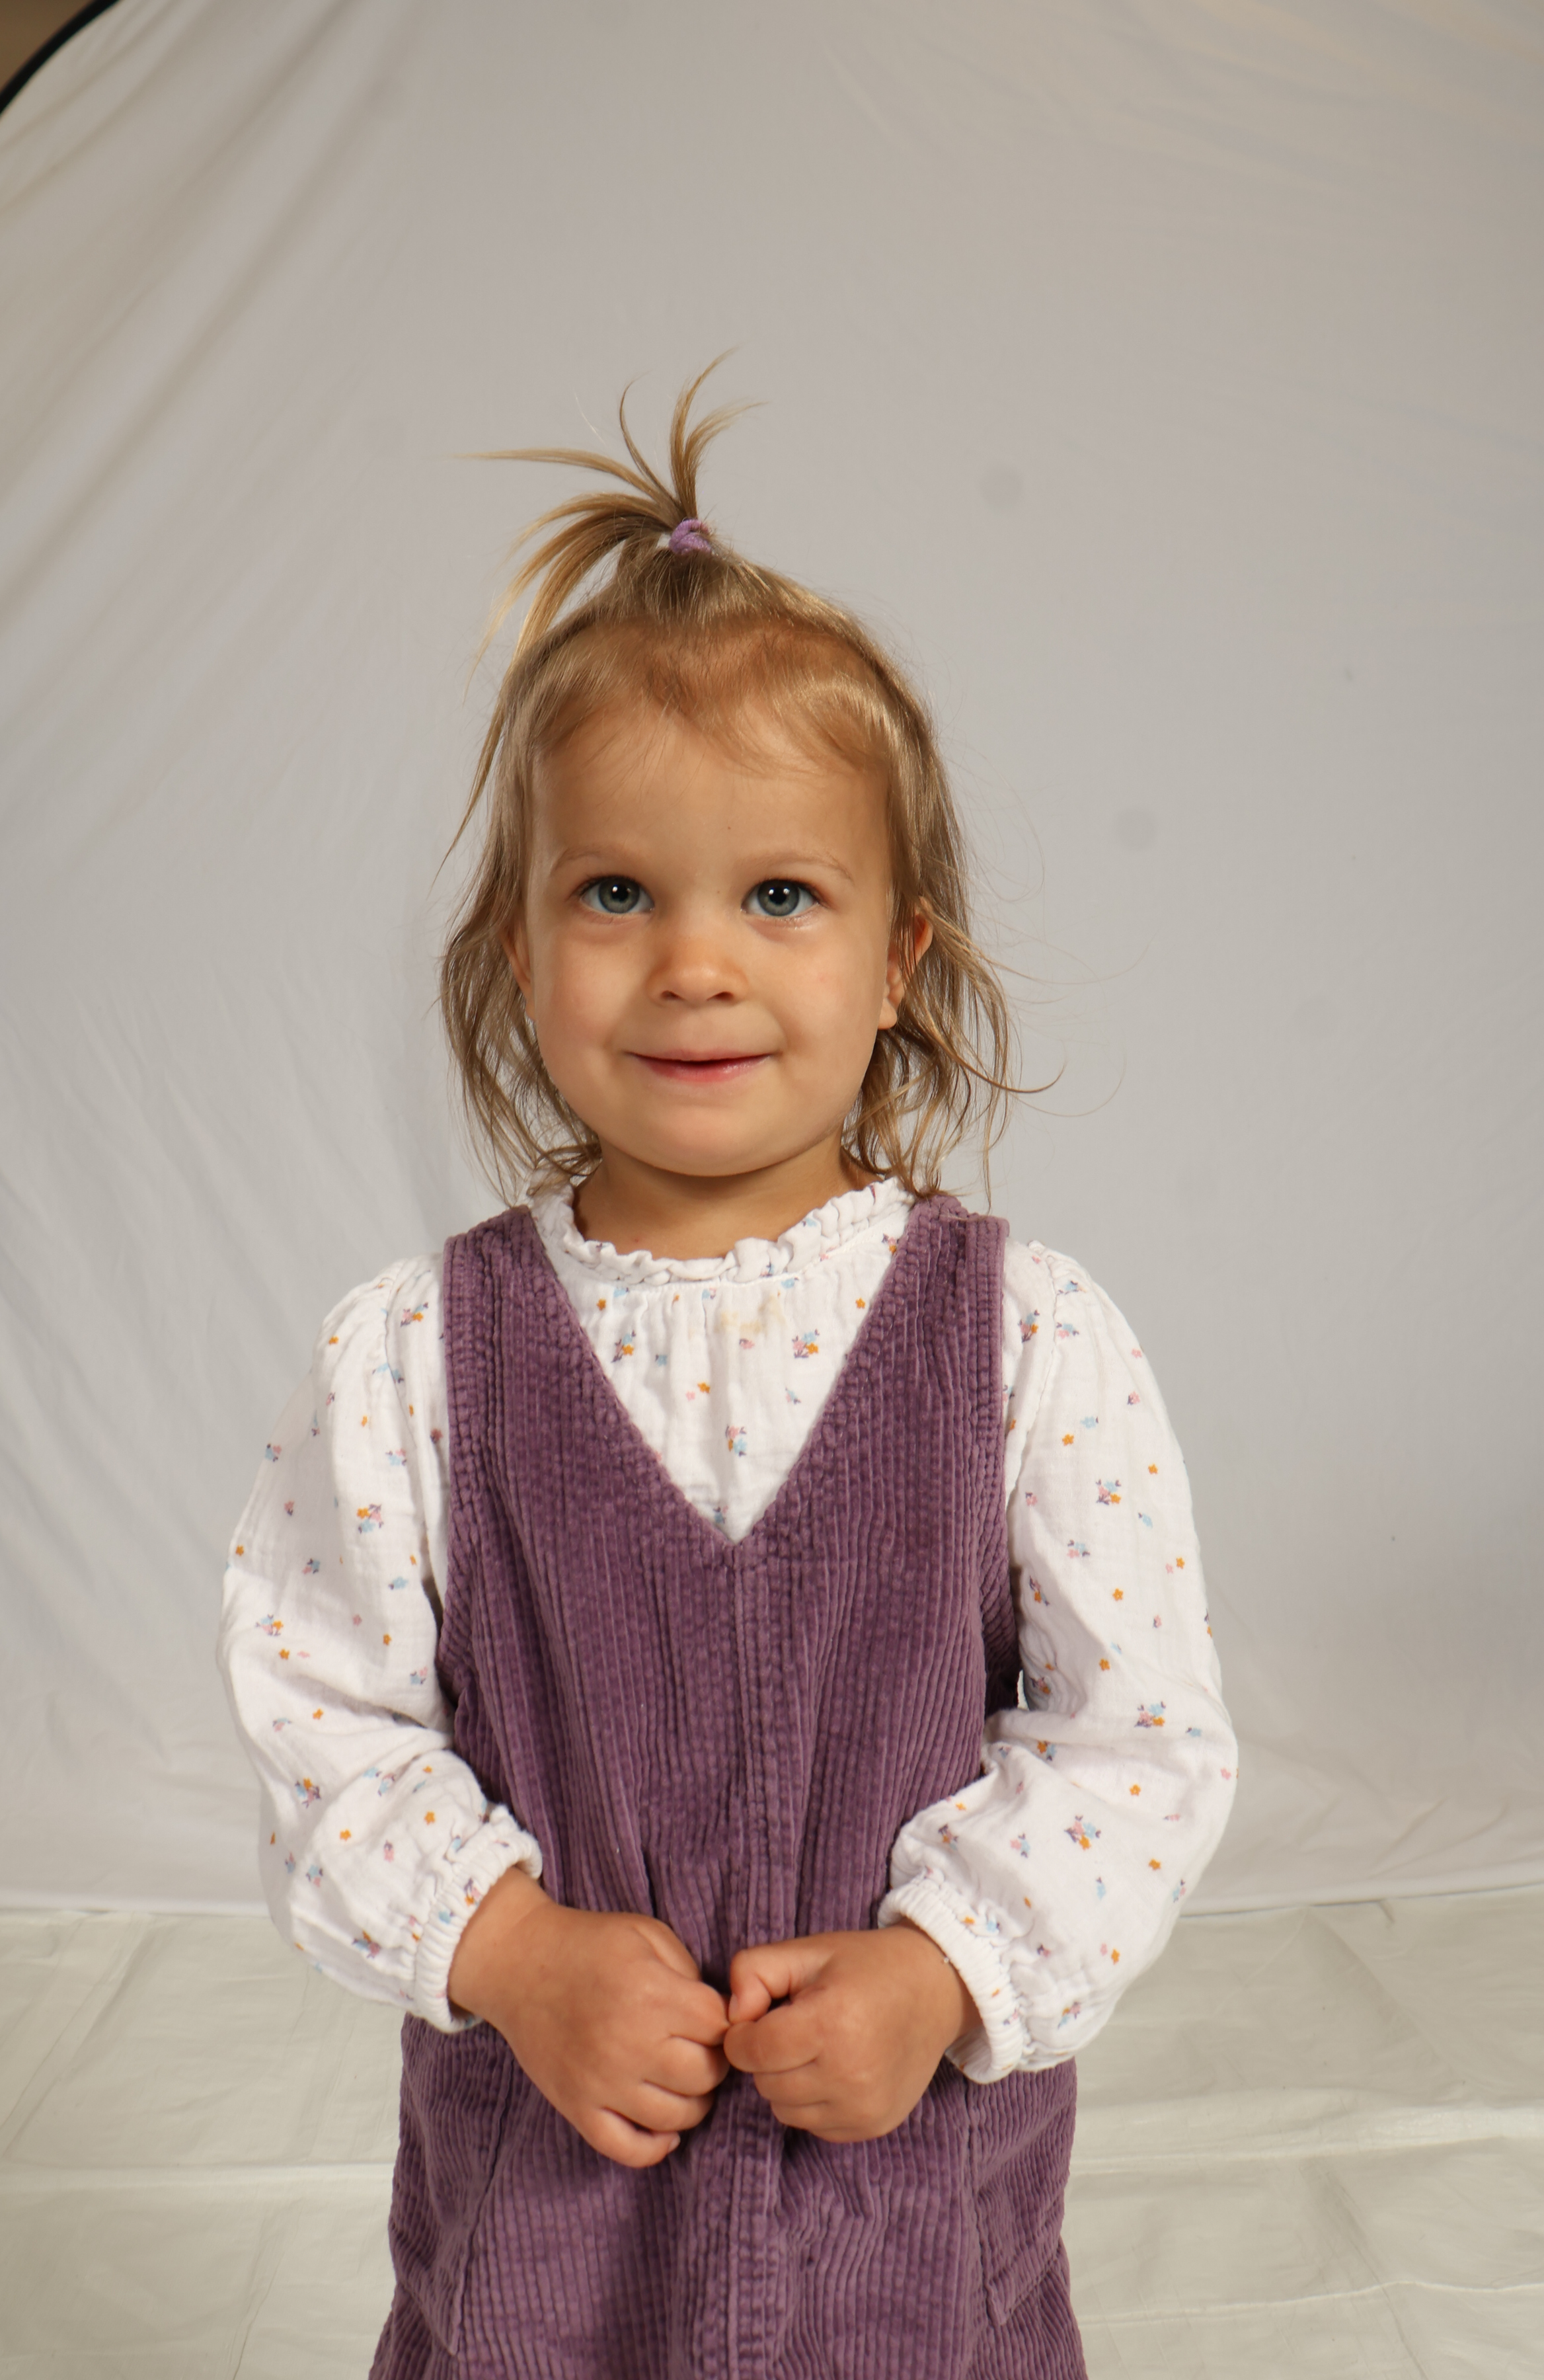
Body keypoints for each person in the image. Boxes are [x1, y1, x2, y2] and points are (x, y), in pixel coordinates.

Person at [218, 366, 1236, 2380]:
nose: (697, 961)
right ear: (523, 951)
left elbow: (1137, 1742)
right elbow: (320, 1717)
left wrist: (945, 1971)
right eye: (618, 894)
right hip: (550, 2231)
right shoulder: (415, 1357)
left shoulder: (1027, 1339)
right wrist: (510, 1951)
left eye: (781, 895)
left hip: (903, 2232)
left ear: (898, 960)